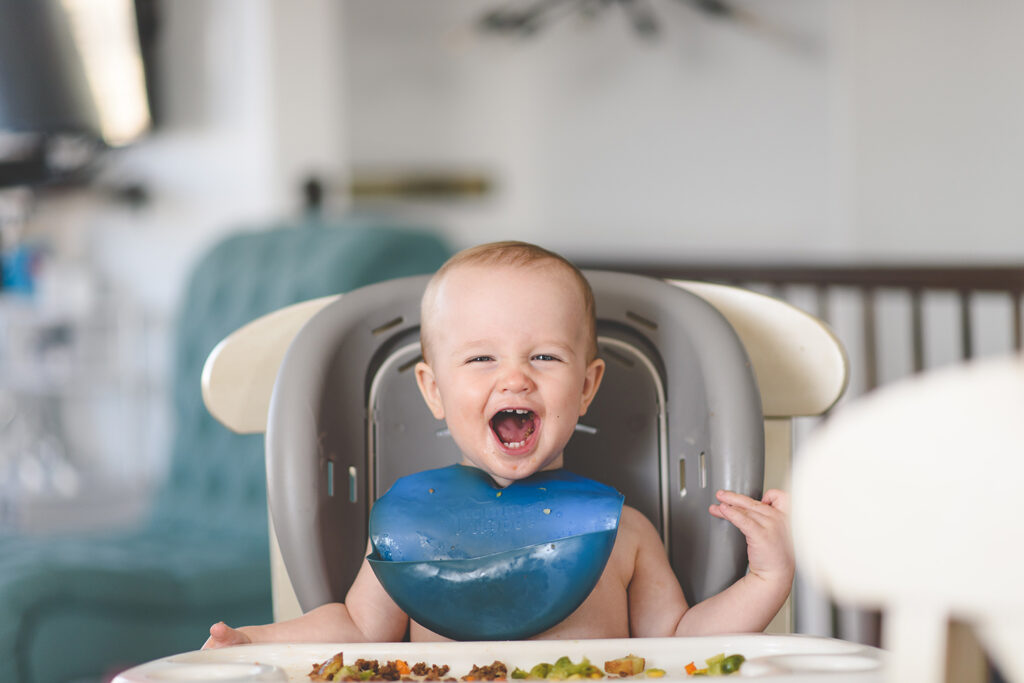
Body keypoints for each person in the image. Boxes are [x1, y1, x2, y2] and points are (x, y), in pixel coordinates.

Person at [204, 240, 793, 647]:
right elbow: (359, 630)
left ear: (587, 387)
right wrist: (256, 639)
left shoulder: (624, 532)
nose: (515, 378)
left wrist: (765, 581)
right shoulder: (410, 529)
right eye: (482, 358)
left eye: (544, 356)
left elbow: (678, 642)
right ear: (433, 391)